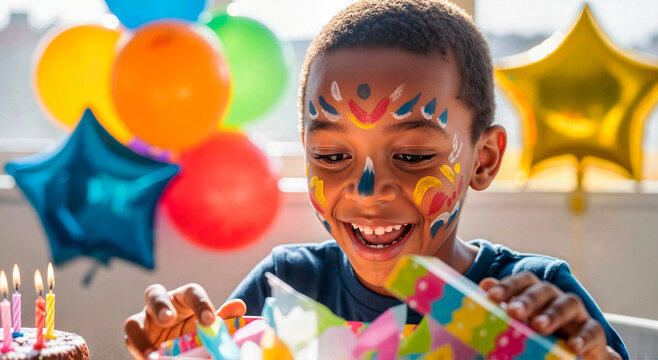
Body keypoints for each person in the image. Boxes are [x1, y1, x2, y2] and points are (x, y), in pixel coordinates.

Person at [124, 1, 628, 358]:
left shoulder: (537, 301)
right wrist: (182, 348)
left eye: (411, 154)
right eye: (332, 154)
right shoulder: (286, 287)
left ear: (485, 159)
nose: (367, 189)